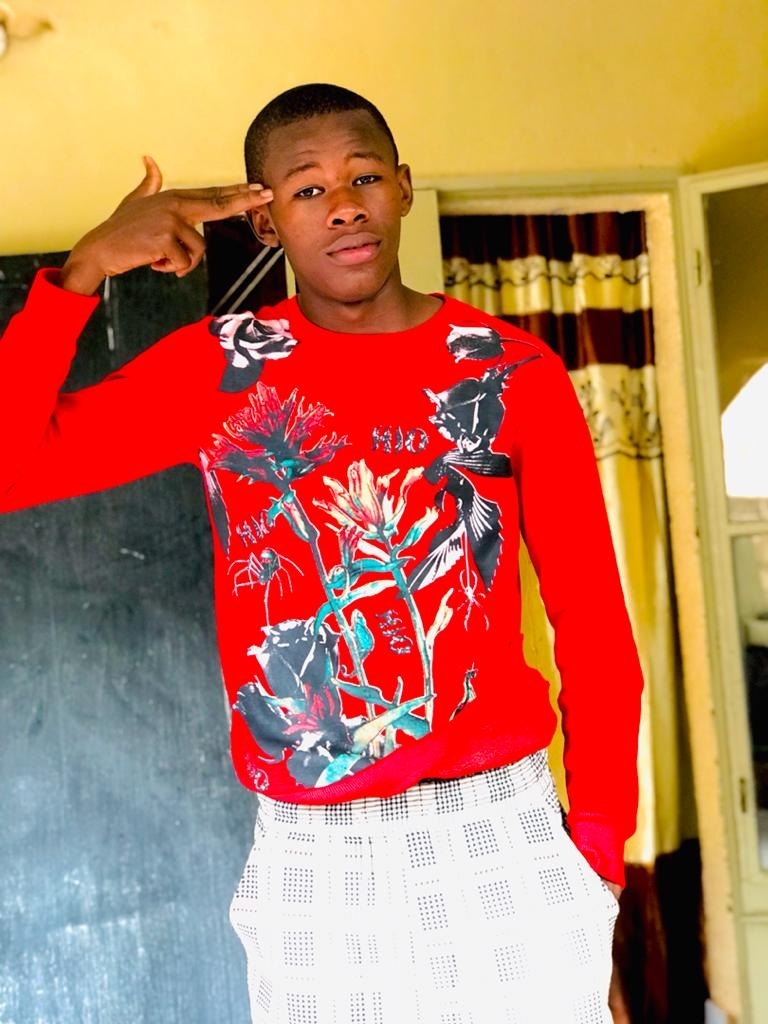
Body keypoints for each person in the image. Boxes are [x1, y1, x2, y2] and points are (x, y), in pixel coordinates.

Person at [0, 83, 643, 1023]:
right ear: (265, 223)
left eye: (364, 176)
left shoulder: (510, 373)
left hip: (499, 830)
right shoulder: (221, 368)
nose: (342, 204)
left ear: (404, 188)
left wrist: (596, 845)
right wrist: (85, 269)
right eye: (306, 189)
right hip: (315, 853)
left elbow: (592, 622)